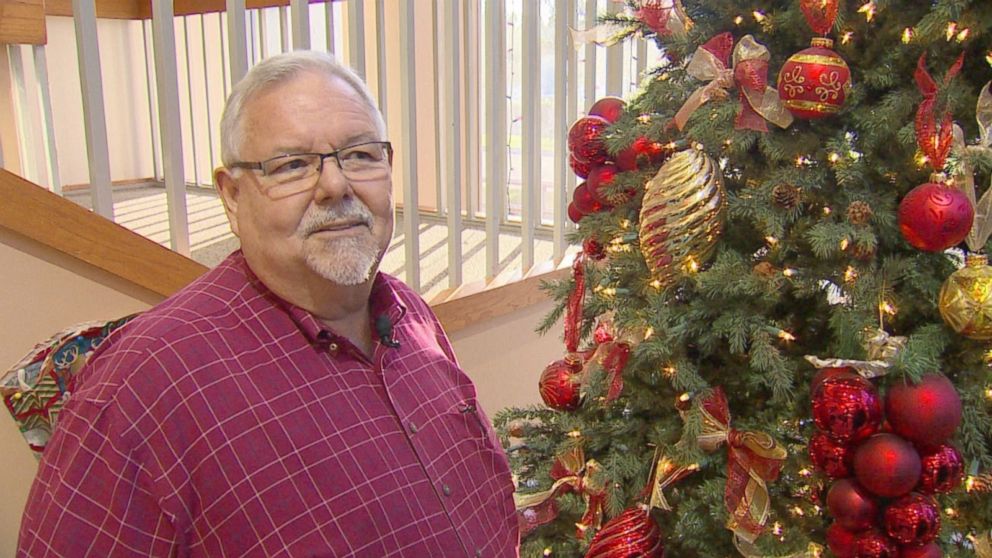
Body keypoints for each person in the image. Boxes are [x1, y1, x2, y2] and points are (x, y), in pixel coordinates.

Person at [18, 50, 519, 557]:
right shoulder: (144, 386)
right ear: (232, 196)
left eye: (361, 155)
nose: (335, 185)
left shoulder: (409, 314)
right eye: (292, 165)